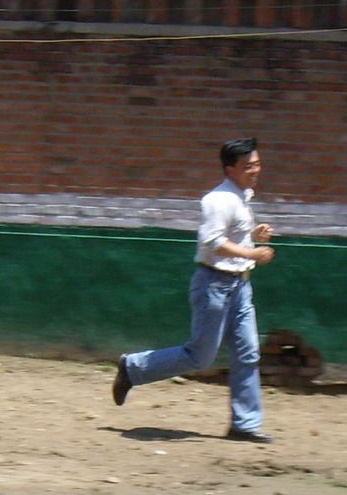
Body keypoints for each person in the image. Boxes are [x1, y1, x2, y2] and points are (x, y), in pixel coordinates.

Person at [112, 137, 276, 443]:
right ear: (230, 169)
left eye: (257, 163)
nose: (255, 170)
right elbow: (212, 242)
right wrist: (253, 254)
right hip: (214, 285)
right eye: (248, 166)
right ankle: (131, 368)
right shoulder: (217, 200)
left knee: (248, 352)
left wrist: (252, 235)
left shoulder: (242, 195)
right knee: (200, 357)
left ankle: (245, 424)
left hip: (240, 286)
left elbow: (231, 234)